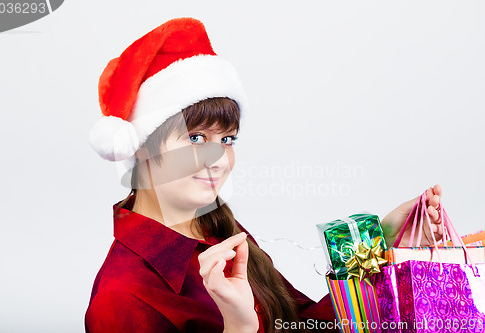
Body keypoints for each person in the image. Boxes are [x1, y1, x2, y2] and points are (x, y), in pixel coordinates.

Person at [85, 18, 443, 333]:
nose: (218, 160)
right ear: (144, 145)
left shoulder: (218, 228)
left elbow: (304, 325)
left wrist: (379, 246)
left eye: (226, 139)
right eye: (196, 138)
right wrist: (240, 327)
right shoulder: (121, 296)